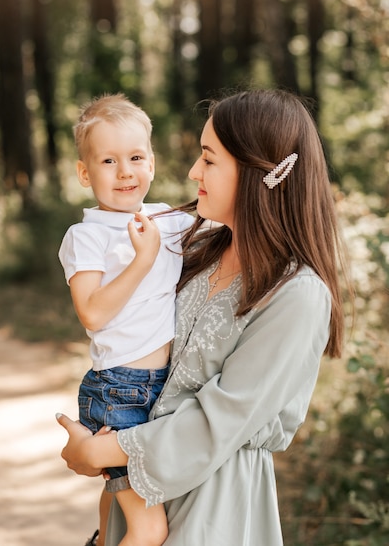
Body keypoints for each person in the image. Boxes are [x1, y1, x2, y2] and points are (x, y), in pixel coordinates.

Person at [56, 89, 350, 546]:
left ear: (259, 174)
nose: (193, 172)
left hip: (214, 504)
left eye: (209, 160)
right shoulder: (196, 249)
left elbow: (220, 419)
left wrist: (96, 450)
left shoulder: (298, 294)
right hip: (139, 483)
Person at [58, 93, 193, 546]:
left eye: (135, 157)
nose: (125, 172)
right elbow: (92, 313)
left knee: (116, 508)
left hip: (160, 387)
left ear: (152, 163)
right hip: (122, 391)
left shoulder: (166, 218)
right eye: (109, 160)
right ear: (84, 173)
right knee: (149, 528)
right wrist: (142, 260)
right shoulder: (87, 236)